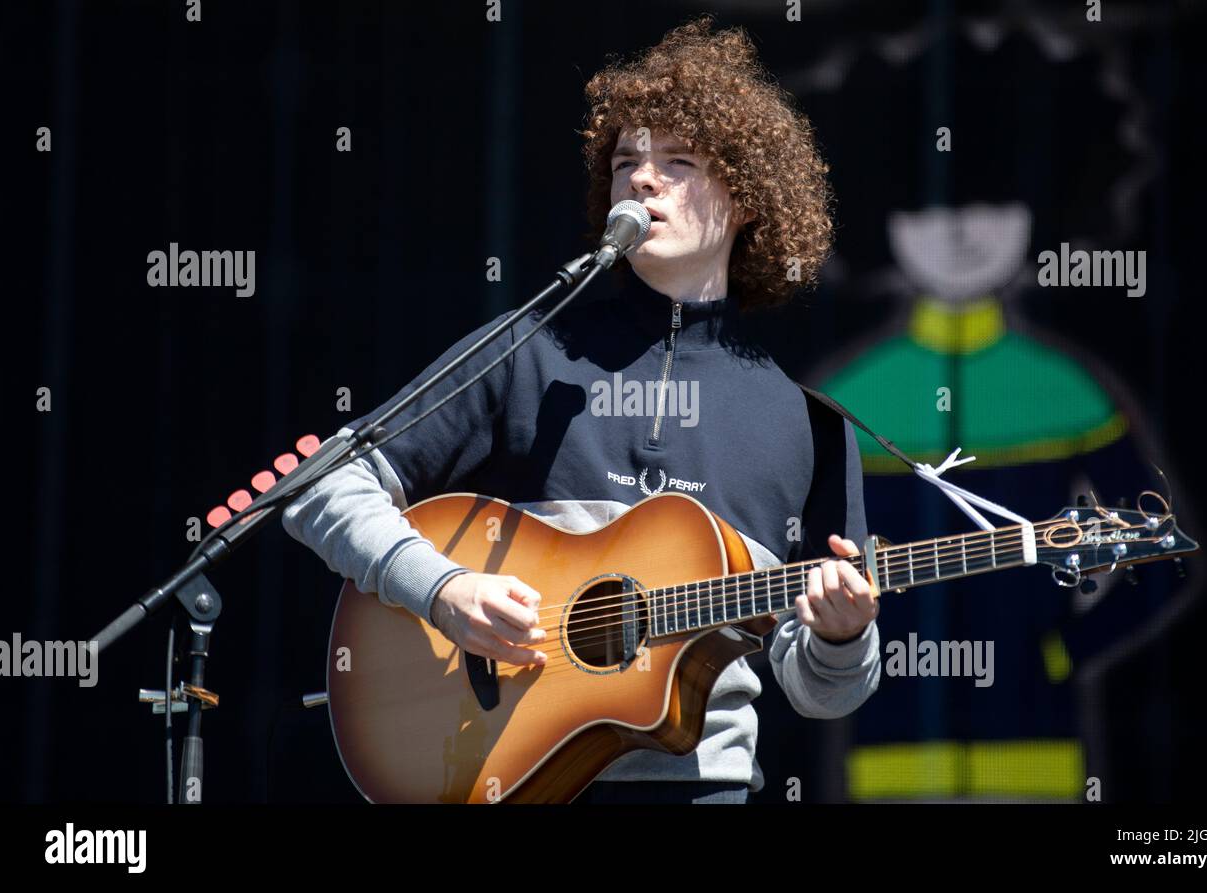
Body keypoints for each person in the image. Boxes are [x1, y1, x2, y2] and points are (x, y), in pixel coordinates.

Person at [282, 17, 881, 804]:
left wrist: (844, 635)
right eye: (627, 161)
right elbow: (321, 487)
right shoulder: (527, 349)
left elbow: (821, 690)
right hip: (502, 773)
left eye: (678, 163)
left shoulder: (805, 424)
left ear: (746, 201)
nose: (642, 179)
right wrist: (445, 590)